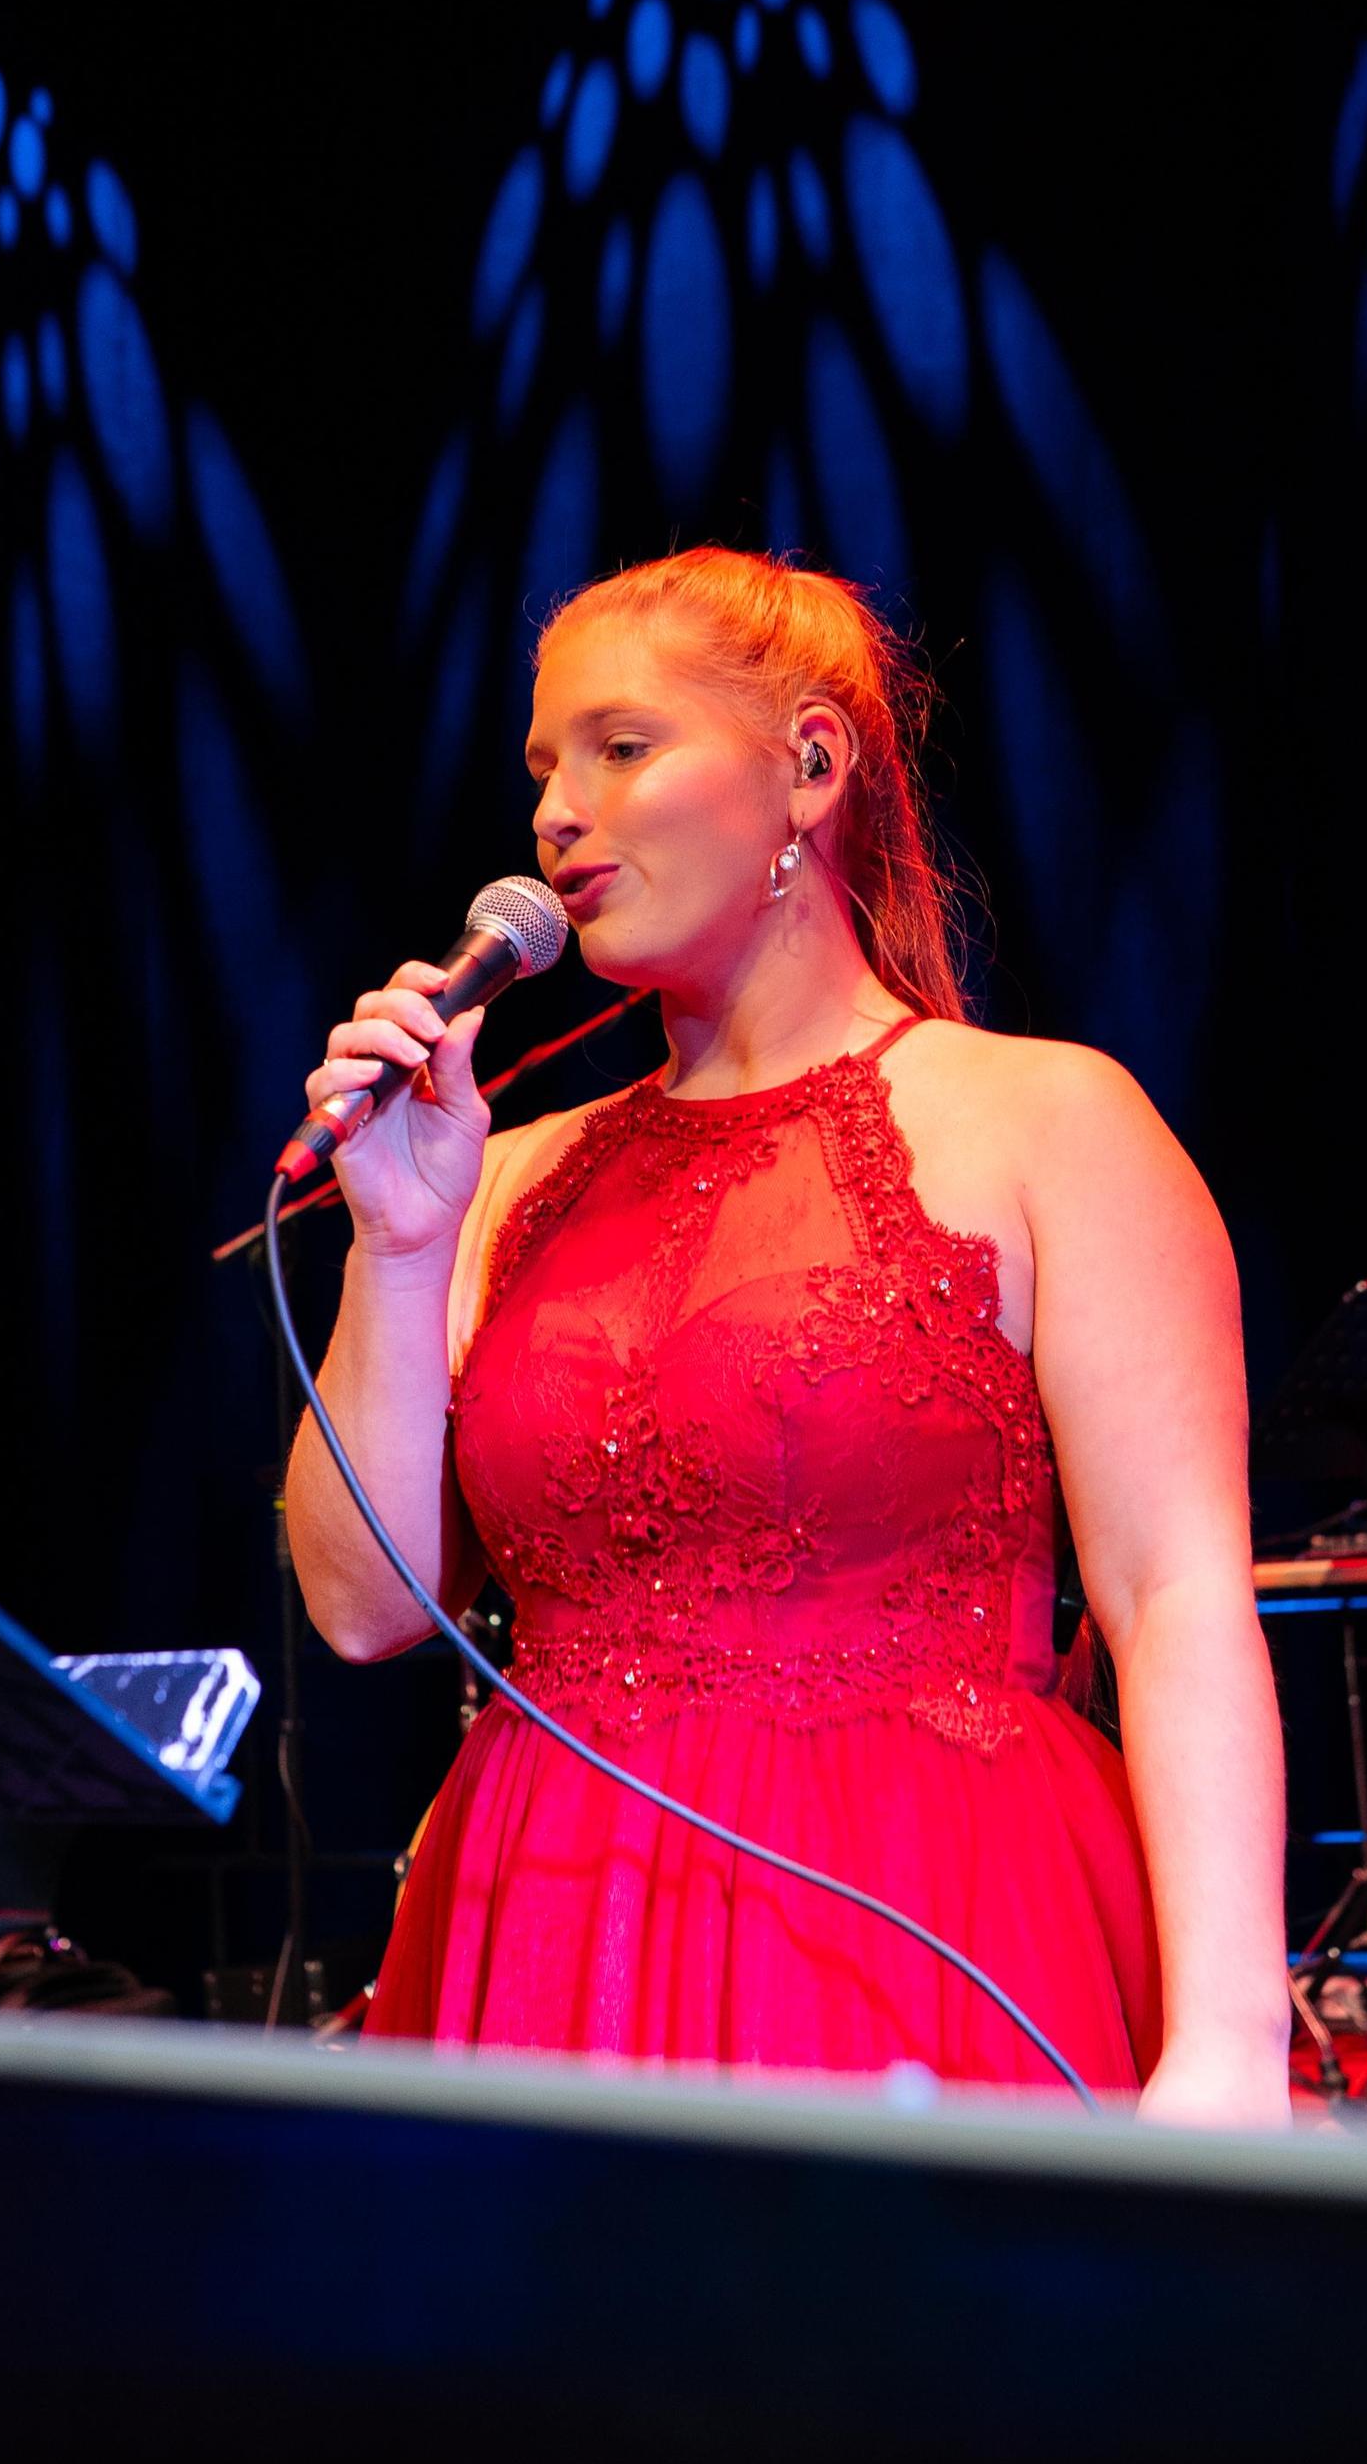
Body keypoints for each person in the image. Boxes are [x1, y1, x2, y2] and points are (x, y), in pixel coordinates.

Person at [284, 550, 1291, 2124]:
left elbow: (1175, 1599)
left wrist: (1229, 2043)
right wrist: (399, 1251)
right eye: (544, 767)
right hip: (549, 1931)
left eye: (621, 748)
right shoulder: (508, 1175)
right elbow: (361, 1612)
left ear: (812, 769)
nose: (557, 812)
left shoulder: (1045, 1120)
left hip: (921, 1915)